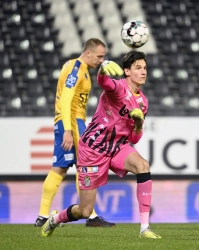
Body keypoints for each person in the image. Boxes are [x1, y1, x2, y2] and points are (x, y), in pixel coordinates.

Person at [41, 50, 161, 239]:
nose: (144, 72)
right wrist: (103, 70)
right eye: (138, 68)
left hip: (117, 148)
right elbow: (104, 82)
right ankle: (56, 219)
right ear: (127, 72)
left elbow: (135, 139)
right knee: (85, 211)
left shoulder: (143, 102)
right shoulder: (118, 88)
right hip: (92, 150)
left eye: (145, 68)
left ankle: (145, 228)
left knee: (142, 165)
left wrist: (138, 125)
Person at [35, 38, 115, 228]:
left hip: (72, 122)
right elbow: (65, 100)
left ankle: (43, 216)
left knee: (61, 168)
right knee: (83, 165)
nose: (101, 60)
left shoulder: (82, 69)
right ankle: (91, 216)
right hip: (70, 122)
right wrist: (68, 131)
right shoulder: (76, 69)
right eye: (99, 56)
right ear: (88, 53)